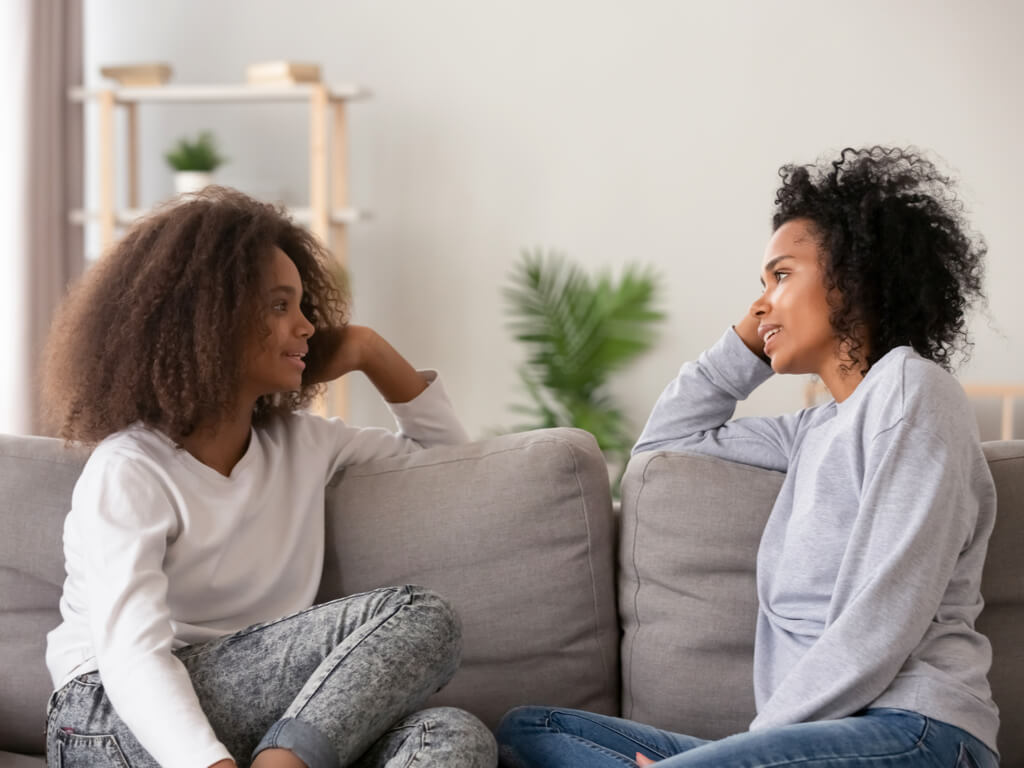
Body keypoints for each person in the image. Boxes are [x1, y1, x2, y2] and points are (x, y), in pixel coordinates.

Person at [496, 147, 1000, 767]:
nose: (762, 305)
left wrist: (749, 752)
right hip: (801, 742)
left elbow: (883, 616)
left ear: (854, 278)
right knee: (532, 730)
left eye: (781, 276)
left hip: (916, 732)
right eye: (760, 285)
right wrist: (744, 346)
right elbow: (663, 447)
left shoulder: (912, 390)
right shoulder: (810, 431)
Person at [41, 187, 497, 768]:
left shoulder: (306, 442)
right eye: (280, 306)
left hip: (255, 717)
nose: (307, 327)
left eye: (304, 306)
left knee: (450, 734)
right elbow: (132, 655)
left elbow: (453, 468)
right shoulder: (128, 468)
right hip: (107, 719)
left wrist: (368, 351)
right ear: (206, 320)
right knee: (422, 615)